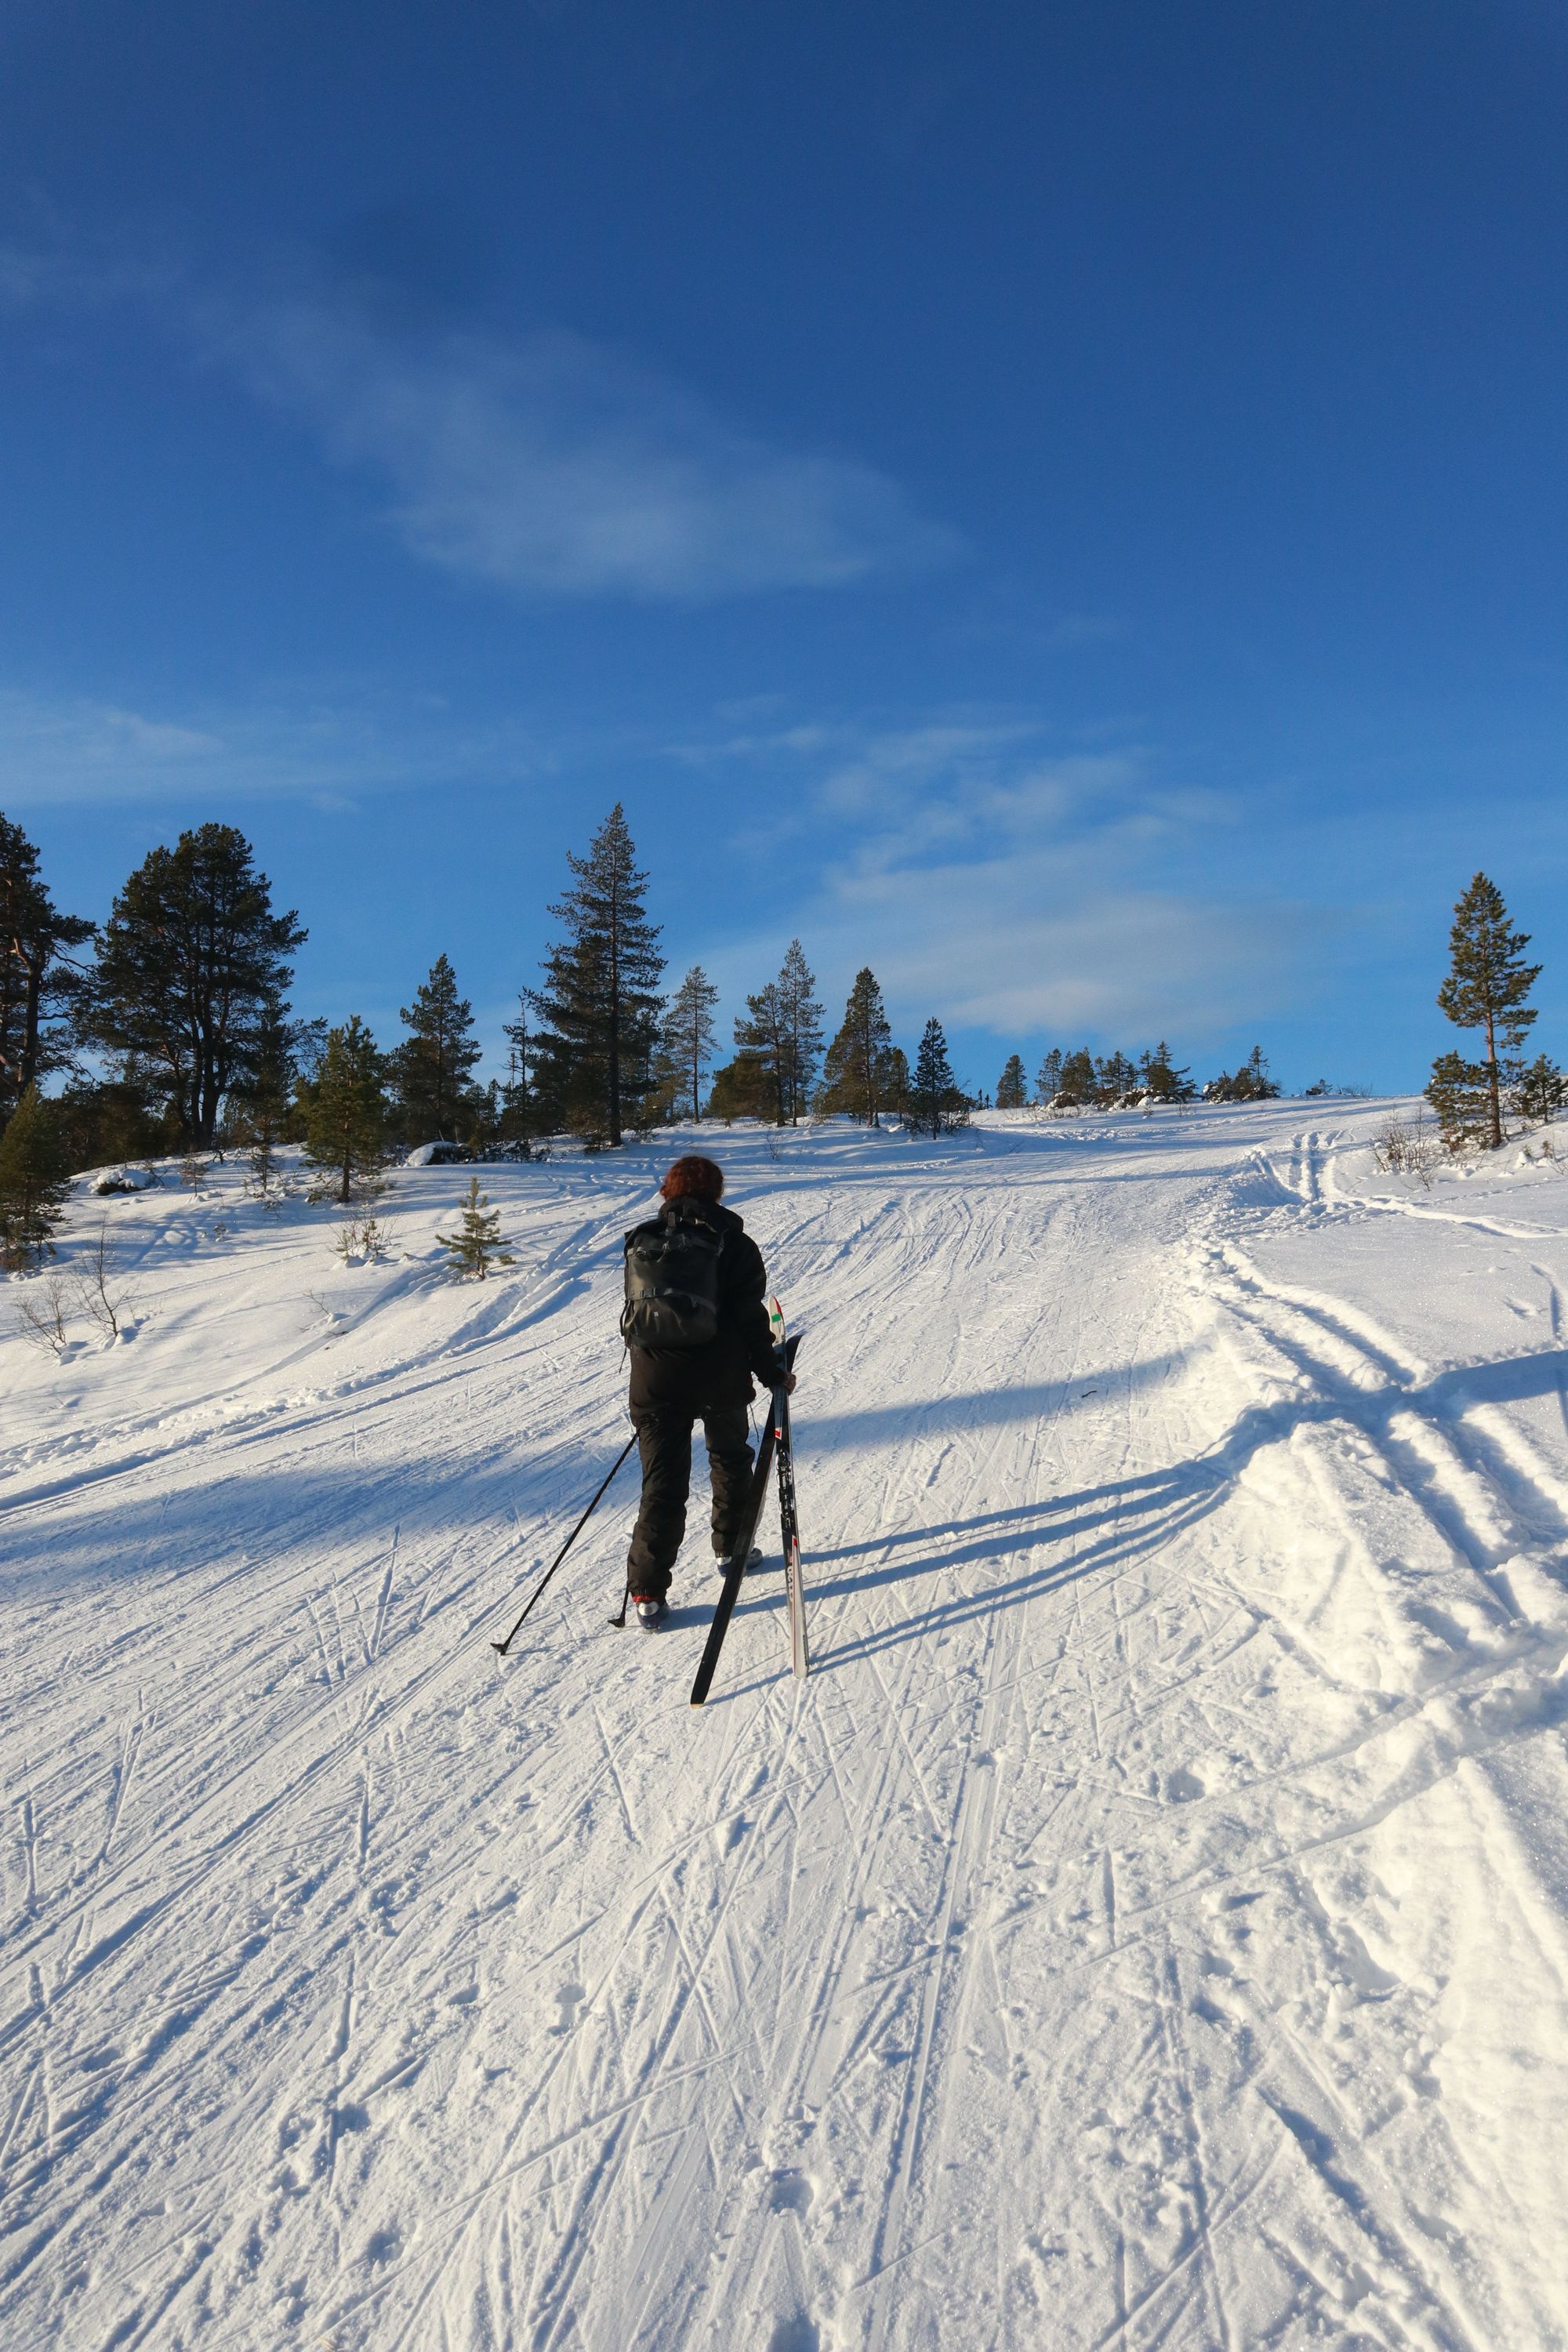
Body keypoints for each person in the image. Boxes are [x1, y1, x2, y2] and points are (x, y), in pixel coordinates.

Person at [621, 1155, 794, 1631]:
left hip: (656, 1382)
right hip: (719, 1376)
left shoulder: (641, 1240)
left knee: (661, 1483)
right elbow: (748, 1317)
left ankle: (647, 1593)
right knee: (731, 1462)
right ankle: (731, 1552)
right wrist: (770, 1372)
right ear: (717, 1192)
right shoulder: (734, 1243)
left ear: (667, 1192)